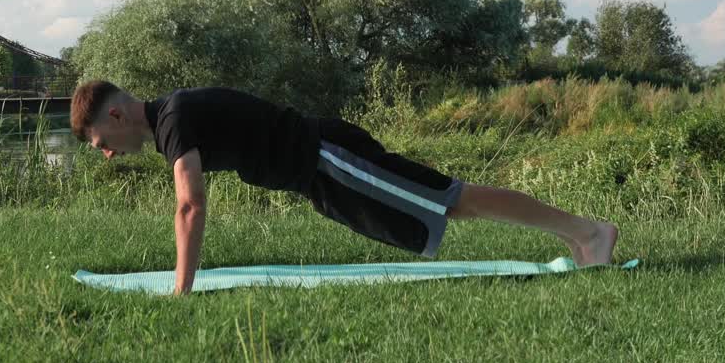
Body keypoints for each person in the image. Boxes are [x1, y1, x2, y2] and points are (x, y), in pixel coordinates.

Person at [71, 81, 618, 295]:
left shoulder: (174, 120)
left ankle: (587, 232)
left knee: (452, 200)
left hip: (331, 160)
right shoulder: (172, 120)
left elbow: (190, 205)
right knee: (449, 205)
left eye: (100, 140)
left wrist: (181, 292)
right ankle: (578, 237)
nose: (105, 153)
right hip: (324, 173)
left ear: (117, 114)